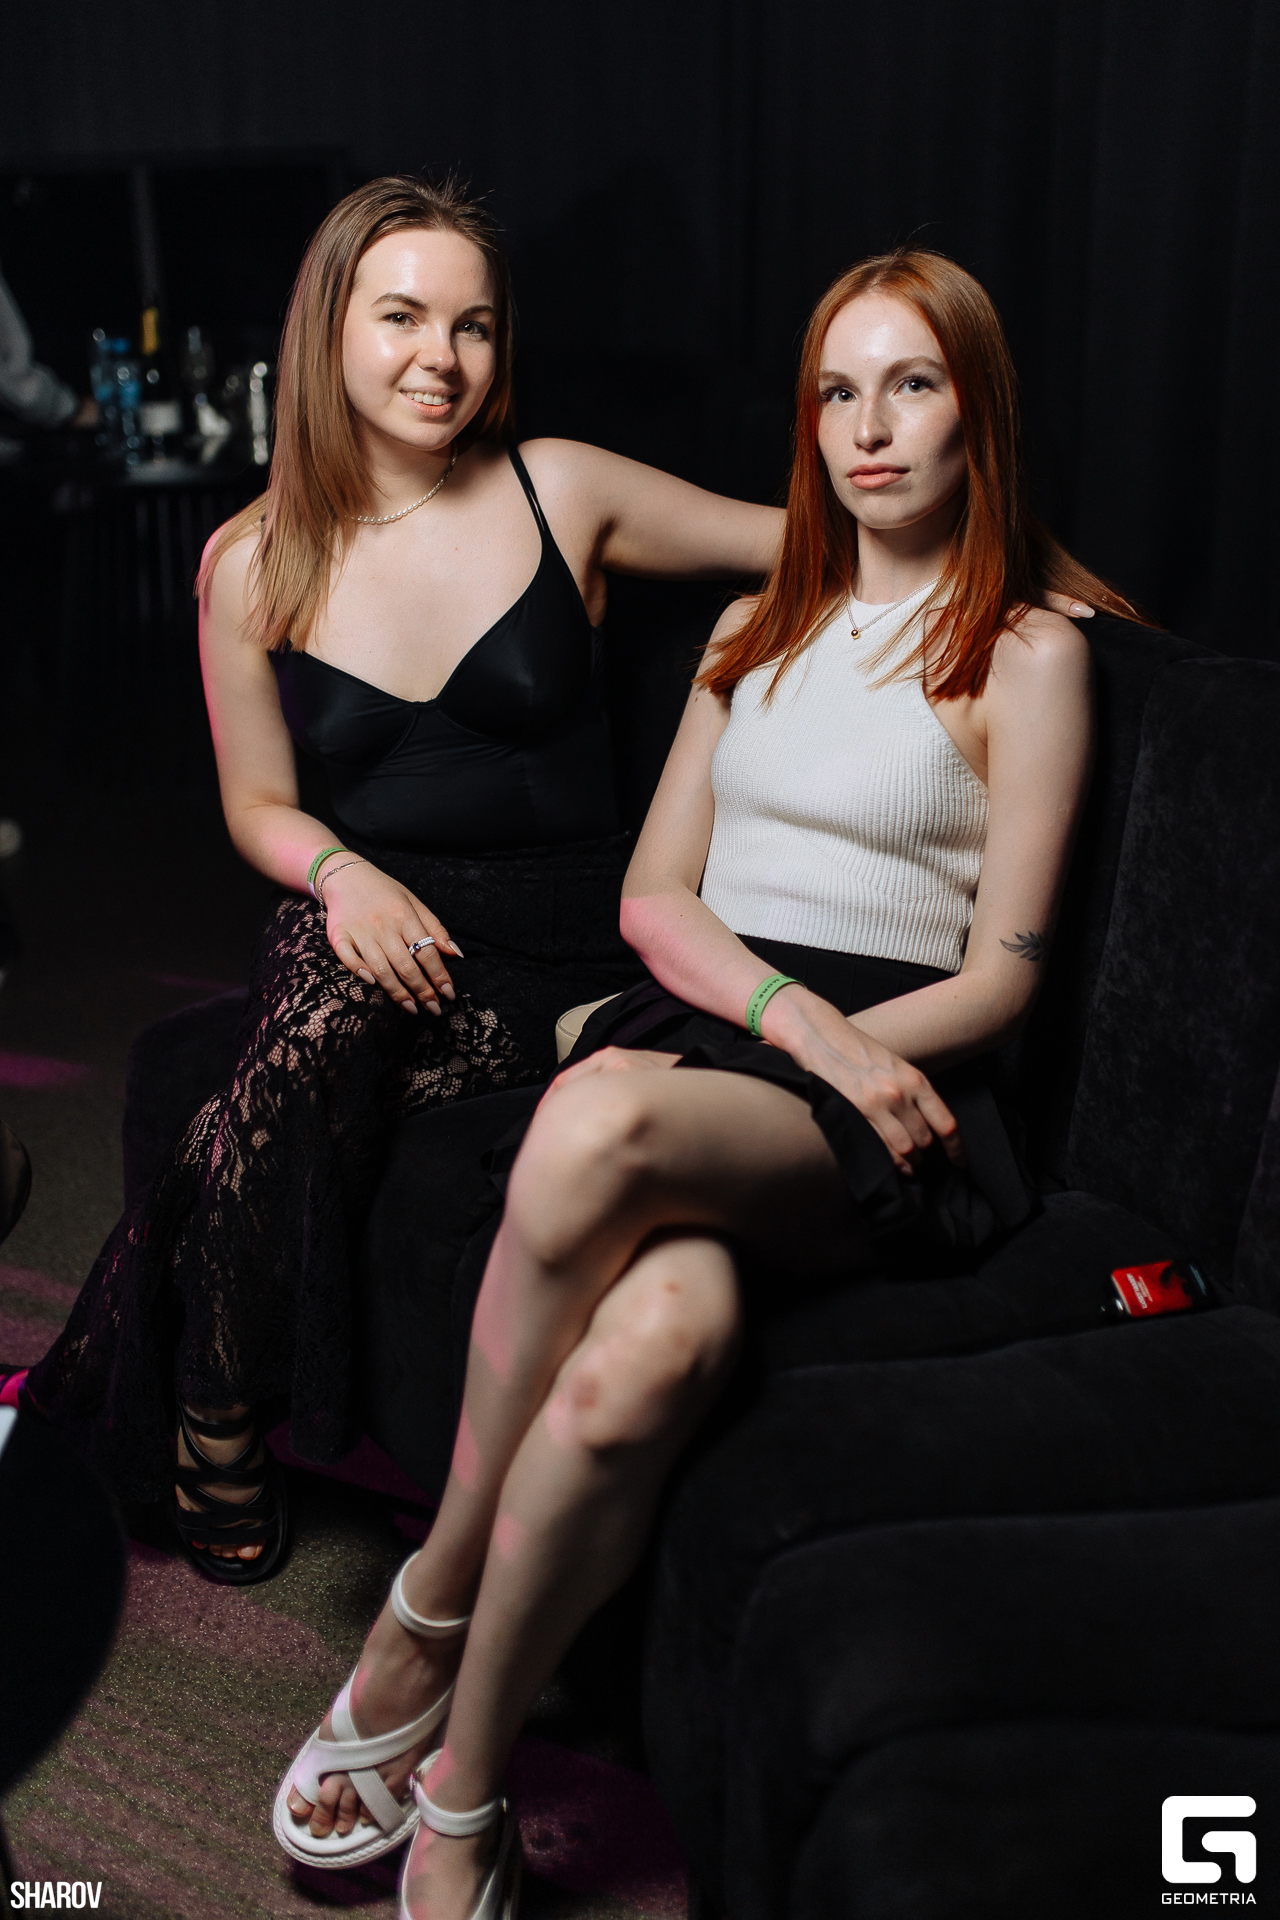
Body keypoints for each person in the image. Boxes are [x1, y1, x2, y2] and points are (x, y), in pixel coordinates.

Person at [274, 246, 1152, 1918]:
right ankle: (465, 1791)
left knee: (594, 1109)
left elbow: (1007, 981)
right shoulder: (755, 627)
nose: (869, 428)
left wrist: (838, 1044)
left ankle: (427, 1599)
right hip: (741, 1035)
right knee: (645, 1355)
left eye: (912, 386)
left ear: (975, 410)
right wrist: (792, 1023)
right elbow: (653, 900)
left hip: (902, 1086)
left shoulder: (1029, 653)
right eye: (838, 392)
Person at [0, 175, 794, 1582]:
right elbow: (257, 802)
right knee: (320, 1008)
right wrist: (343, 875)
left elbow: (805, 540)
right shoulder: (252, 560)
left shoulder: (563, 487)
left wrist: (1014, 568)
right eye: (404, 317)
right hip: (374, 907)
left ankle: (175, 1406)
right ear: (331, 331)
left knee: (257, 1092)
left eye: (474, 325)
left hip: (564, 930)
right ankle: (217, 1414)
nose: (443, 356)